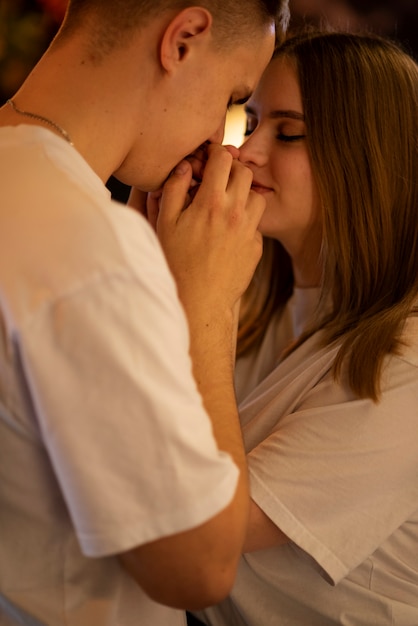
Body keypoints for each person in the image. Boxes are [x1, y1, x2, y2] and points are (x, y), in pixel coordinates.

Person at [0, 1, 291, 624]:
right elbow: (201, 567)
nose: (223, 139)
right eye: (235, 98)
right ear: (183, 40)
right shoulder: (87, 242)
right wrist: (206, 304)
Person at [191, 31, 418, 626]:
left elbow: (216, 528)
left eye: (288, 133)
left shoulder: (406, 360)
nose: (244, 152)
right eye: (251, 121)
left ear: (368, 159)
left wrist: (200, 302)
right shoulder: (265, 300)